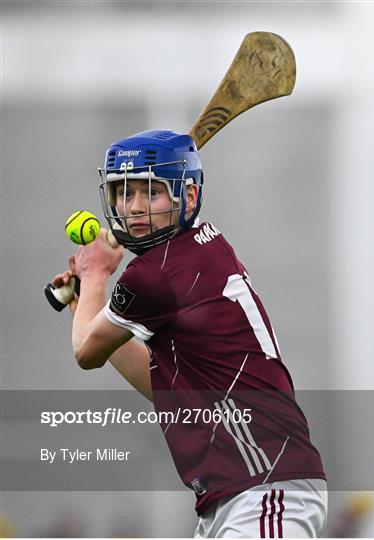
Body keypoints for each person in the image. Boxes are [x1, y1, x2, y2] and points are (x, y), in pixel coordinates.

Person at [53, 129, 327, 538]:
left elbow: (85, 352)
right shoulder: (198, 249)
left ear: (190, 197)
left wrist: (93, 275)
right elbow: (163, 384)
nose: (136, 208)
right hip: (235, 496)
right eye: (124, 194)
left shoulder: (155, 275)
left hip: (264, 488)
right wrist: (84, 303)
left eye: (152, 193)